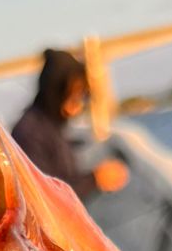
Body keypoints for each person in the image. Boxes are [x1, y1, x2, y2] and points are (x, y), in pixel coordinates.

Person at [12, 48, 128, 200]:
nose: (78, 104)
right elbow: (47, 197)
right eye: (72, 95)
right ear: (55, 91)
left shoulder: (50, 126)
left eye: (82, 95)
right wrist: (95, 179)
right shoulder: (29, 133)